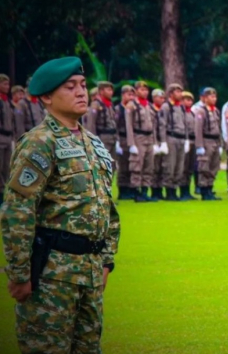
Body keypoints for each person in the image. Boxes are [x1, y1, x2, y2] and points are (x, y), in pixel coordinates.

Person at [0, 56, 120, 353]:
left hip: (90, 273)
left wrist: (106, 260)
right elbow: (18, 210)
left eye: (82, 85)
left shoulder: (92, 142)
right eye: (71, 86)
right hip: (52, 275)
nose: (82, 92)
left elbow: (107, 205)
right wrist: (19, 274)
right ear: (47, 97)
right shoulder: (40, 142)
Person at [125, 81, 158, 202]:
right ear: (136, 91)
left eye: (146, 90)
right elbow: (128, 125)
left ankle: (145, 191)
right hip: (138, 136)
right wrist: (131, 143)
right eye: (141, 90)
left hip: (149, 137)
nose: (144, 92)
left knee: (149, 166)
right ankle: (136, 191)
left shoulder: (149, 105)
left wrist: (155, 142)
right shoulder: (131, 105)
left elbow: (153, 125)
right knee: (137, 166)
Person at [85, 81, 118, 183]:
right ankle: (100, 193)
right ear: (101, 91)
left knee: (112, 165)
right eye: (108, 89)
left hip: (112, 137)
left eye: (111, 89)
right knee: (102, 165)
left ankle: (108, 191)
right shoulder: (96, 104)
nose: (111, 92)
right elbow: (91, 124)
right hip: (102, 137)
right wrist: (93, 140)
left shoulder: (109, 104)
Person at [194, 87, 222, 201]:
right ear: (205, 98)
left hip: (215, 141)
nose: (214, 99)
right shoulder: (201, 111)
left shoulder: (215, 110)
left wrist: (220, 144)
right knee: (204, 166)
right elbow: (198, 129)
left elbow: (219, 129)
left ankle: (210, 189)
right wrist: (199, 145)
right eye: (211, 97)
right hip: (206, 141)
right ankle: (204, 191)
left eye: (215, 96)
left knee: (214, 167)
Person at [160, 83, 187, 201]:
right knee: (170, 165)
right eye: (177, 92)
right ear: (171, 93)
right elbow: (162, 125)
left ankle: (175, 190)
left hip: (181, 138)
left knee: (179, 166)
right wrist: (163, 142)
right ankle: (169, 191)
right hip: (171, 138)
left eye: (180, 92)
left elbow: (184, 124)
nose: (180, 94)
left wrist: (186, 139)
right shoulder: (166, 107)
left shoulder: (181, 107)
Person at [115, 85, 135, 199]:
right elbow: (116, 126)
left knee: (130, 165)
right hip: (122, 138)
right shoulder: (118, 109)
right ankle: (122, 190)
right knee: (122, 165)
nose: (131, 97)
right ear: (123, 95)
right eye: (129, 94)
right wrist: (117, 141)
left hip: (131, 138)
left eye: (132, 95)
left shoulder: (132, 107)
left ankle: (129, 188)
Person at [150, 88, 168, 200]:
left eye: (163, 98)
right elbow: (152, 128)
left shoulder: (164, 109)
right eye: (159, 97)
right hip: (153, 141)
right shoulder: (150, 109)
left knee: (162, 167)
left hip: (163, 141)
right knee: (154, 167)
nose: (162, 99)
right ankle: (154, 191)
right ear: (154, 98)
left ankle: (160, 190)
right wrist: (155, 143)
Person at [179, 91, 197, 200]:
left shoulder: (192, 113)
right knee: (183, 167)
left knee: (190, 167)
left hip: (193, 141)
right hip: (184, 140)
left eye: (190, 100)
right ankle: (182, 190)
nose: (189, 102)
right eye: (186, 99)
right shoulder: (181, 113)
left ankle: (187, 190)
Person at [0, 74, 13, 204]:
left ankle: (5, 190)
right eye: (4, 84)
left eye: (8, 84)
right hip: (0, 137)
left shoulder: (7, 101)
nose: (7, 87)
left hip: (8, 138)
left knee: (7, 166)